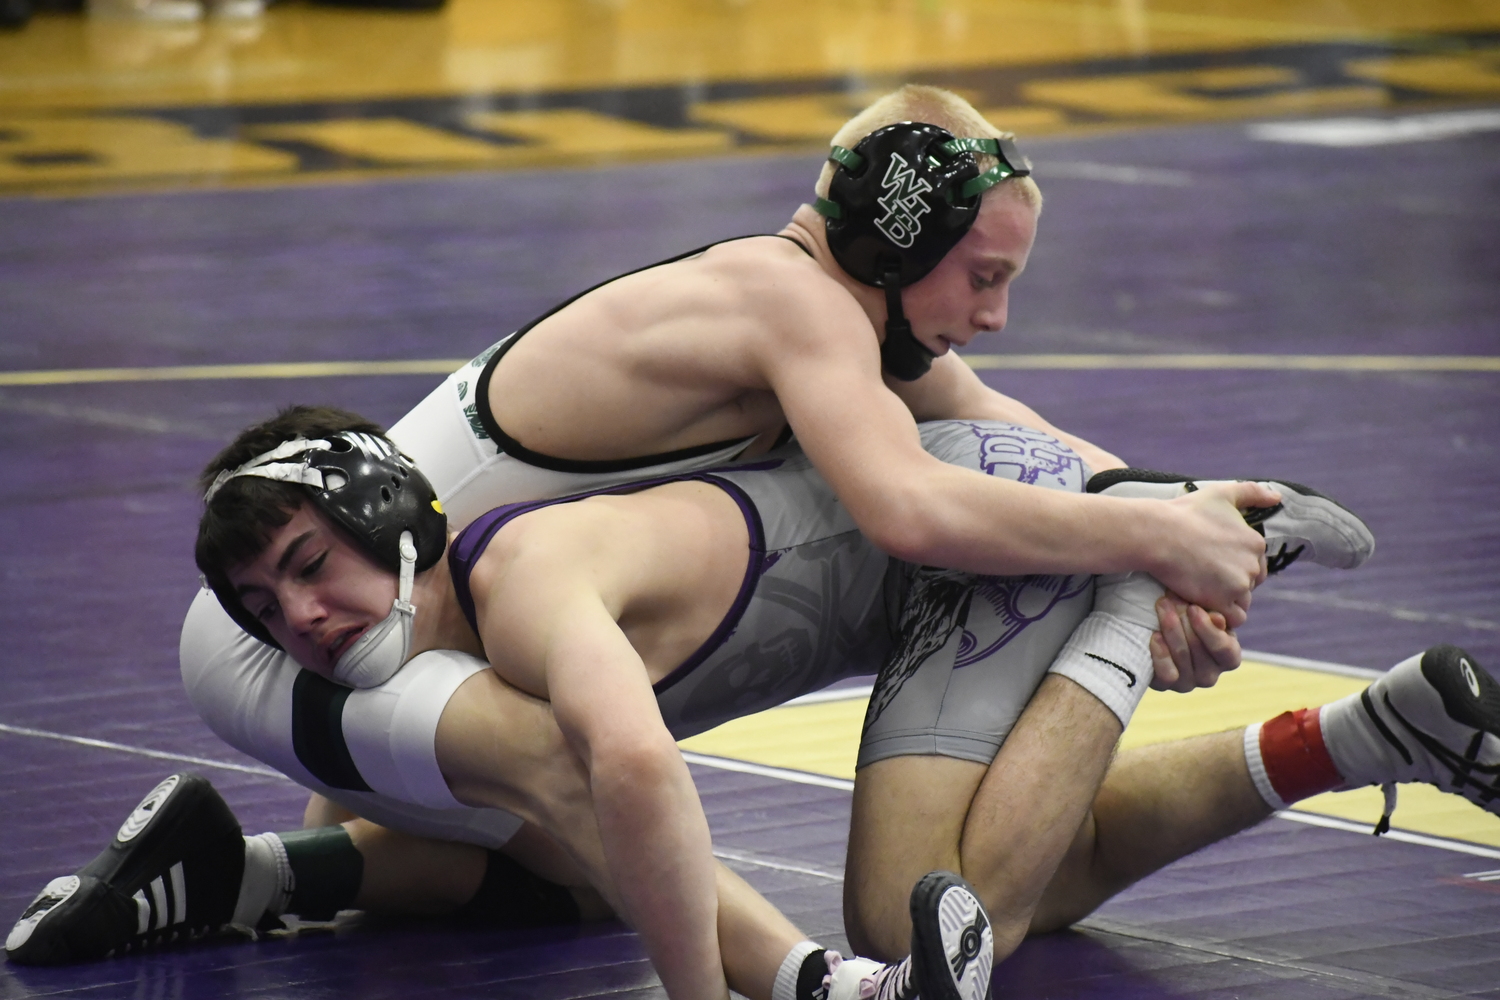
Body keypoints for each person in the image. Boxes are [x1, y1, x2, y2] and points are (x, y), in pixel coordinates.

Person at [164, 83, 1282, 955]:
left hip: (319, 651)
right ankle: (815, 978)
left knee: (574, 884)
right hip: (294, 630)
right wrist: (1154, 543)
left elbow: (1016, 433)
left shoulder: (802, 305)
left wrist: (1195, 507)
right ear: (897, 245)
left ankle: (261, 870)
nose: (995, 314)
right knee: (610, 810)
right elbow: (911, 506)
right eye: (983, 277)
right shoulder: (791, 304)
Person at [15, 403, 1441, 999]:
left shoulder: (527, 580)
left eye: (309, 573)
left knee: (919, 919)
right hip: (919, 516)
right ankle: (1374, 732)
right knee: (572, 877)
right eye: (264, 610)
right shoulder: (435, 643)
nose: (299, 623)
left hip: (968, 543)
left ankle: (1129, 579)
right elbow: (594, 814)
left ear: (390, 517)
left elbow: (632, 773)